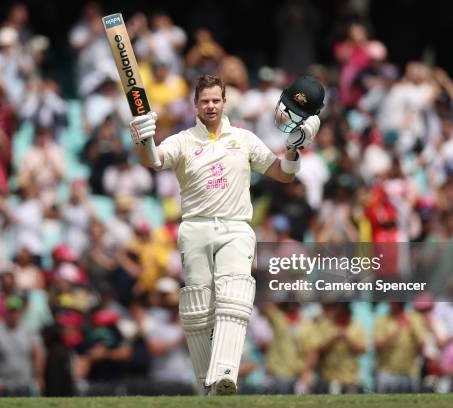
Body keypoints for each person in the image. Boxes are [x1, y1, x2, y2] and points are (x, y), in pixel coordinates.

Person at [128, 74, 323, 395]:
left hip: (235, 226)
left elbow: (282, 174)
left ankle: (225, 373)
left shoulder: (243, 139)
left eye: (216, 100)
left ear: (224, 102)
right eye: (204, 100)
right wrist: (141, 140)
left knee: (234, 294)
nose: (210, 106)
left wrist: (292, 151)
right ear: (195, 104)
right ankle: (209, 388)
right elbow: (153, 160)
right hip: (195, 227)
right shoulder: (183, 140)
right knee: (197, 306)